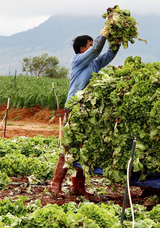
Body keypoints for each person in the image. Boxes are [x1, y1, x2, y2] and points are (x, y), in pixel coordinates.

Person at [49, 19, 120, 197]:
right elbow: (97, 49)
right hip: (74, 108)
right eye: (90, 45)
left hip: (87, 111)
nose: (93, 47)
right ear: (83, 49)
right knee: (69, 146)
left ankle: (78, 187)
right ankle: (55, 184)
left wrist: (117, 37)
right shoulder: (78, 61)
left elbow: (109, 54)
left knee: (83, 147)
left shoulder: (94, 64)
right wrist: (104, 32)